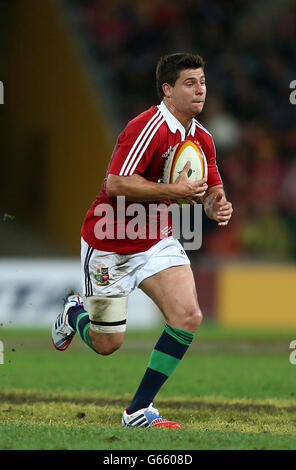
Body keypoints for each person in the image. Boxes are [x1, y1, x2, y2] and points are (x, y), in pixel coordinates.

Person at [52, 53, 233, 428]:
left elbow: (211, 187)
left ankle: (137, 410)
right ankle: (72, 313)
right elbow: (114, 183)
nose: (200, 89)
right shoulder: (147, 127)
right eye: (190, 83)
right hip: (110, 241)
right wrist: (173, 189)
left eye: (202, 82)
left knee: (188, 316)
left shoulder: (201, 137)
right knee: (108, 344)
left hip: (155, 240)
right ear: (167, 90)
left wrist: (216, 205)